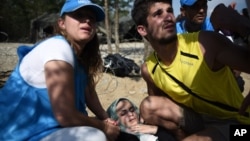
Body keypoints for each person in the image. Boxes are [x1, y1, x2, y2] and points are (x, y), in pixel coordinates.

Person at [0, 0, 120, 141]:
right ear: (61, 23)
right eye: (79, 15)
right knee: (93, 137)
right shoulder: (57, 47)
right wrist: (103, 127)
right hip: (19, 135)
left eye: (92, 18)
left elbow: (89, 93)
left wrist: (105, 119)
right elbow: (65, 115)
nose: (87, 20)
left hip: (47, 131)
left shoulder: (79, 61)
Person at [131, 0, 250, 141]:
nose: (168, 17)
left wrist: (242, 25)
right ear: (142, 29)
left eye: (169, 11)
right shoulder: (149, 69)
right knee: (148, 106)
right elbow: (158, 103)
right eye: (158, 13)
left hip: (238, 125)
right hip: (200, 120)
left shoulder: (204, 43)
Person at [107, 98, 176, 141]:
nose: (130, 114)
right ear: (115, 120)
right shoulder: (120, 138)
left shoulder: (152, 126)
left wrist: (156, 130)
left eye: (132, 110)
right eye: (123, 113)